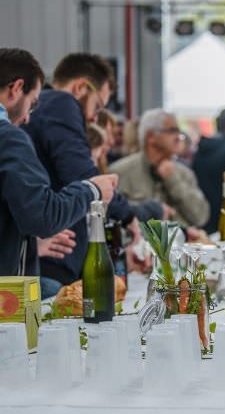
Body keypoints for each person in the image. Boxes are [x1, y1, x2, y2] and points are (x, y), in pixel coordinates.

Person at [0, 48, 116, 279]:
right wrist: (92, 190)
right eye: (32, 104)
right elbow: (43, 216)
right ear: (15, 88)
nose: (27, 118)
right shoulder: (8, 138)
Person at [24, 53, 140, 285]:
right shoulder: (61, 103)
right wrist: (127, 216)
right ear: (80, 87)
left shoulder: (41, 108)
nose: (93, 118)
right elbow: (83, 176)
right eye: (97, 107)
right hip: (53, 263)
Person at [110, 109, 209, 228]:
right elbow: (114, 221)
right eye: (172, 131)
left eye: (179, 131)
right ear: (151, 136)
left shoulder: (184, 173)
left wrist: (173, 180)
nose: (179, 137)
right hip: (138, 245)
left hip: (181, 245)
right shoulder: (120, 172)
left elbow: (201, 217)